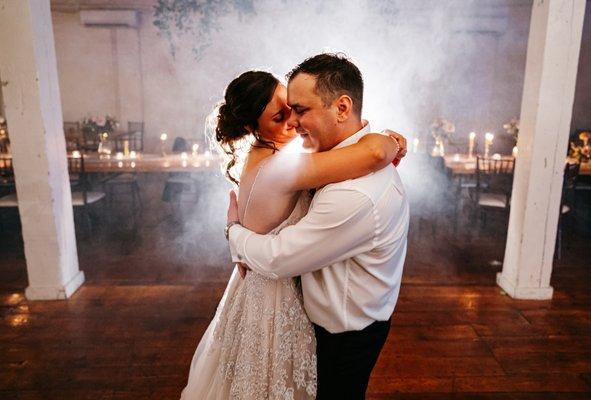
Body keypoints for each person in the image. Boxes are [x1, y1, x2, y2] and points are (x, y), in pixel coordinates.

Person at [180, 68, 407, 399]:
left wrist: (236, 237)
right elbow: (371, 154)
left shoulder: (271, 157)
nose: (293, 121)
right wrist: (389, 142)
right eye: (280, 116)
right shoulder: (282, 168)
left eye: (295, 108)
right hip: (273, 292)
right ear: (251, 127)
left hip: (265, 285)